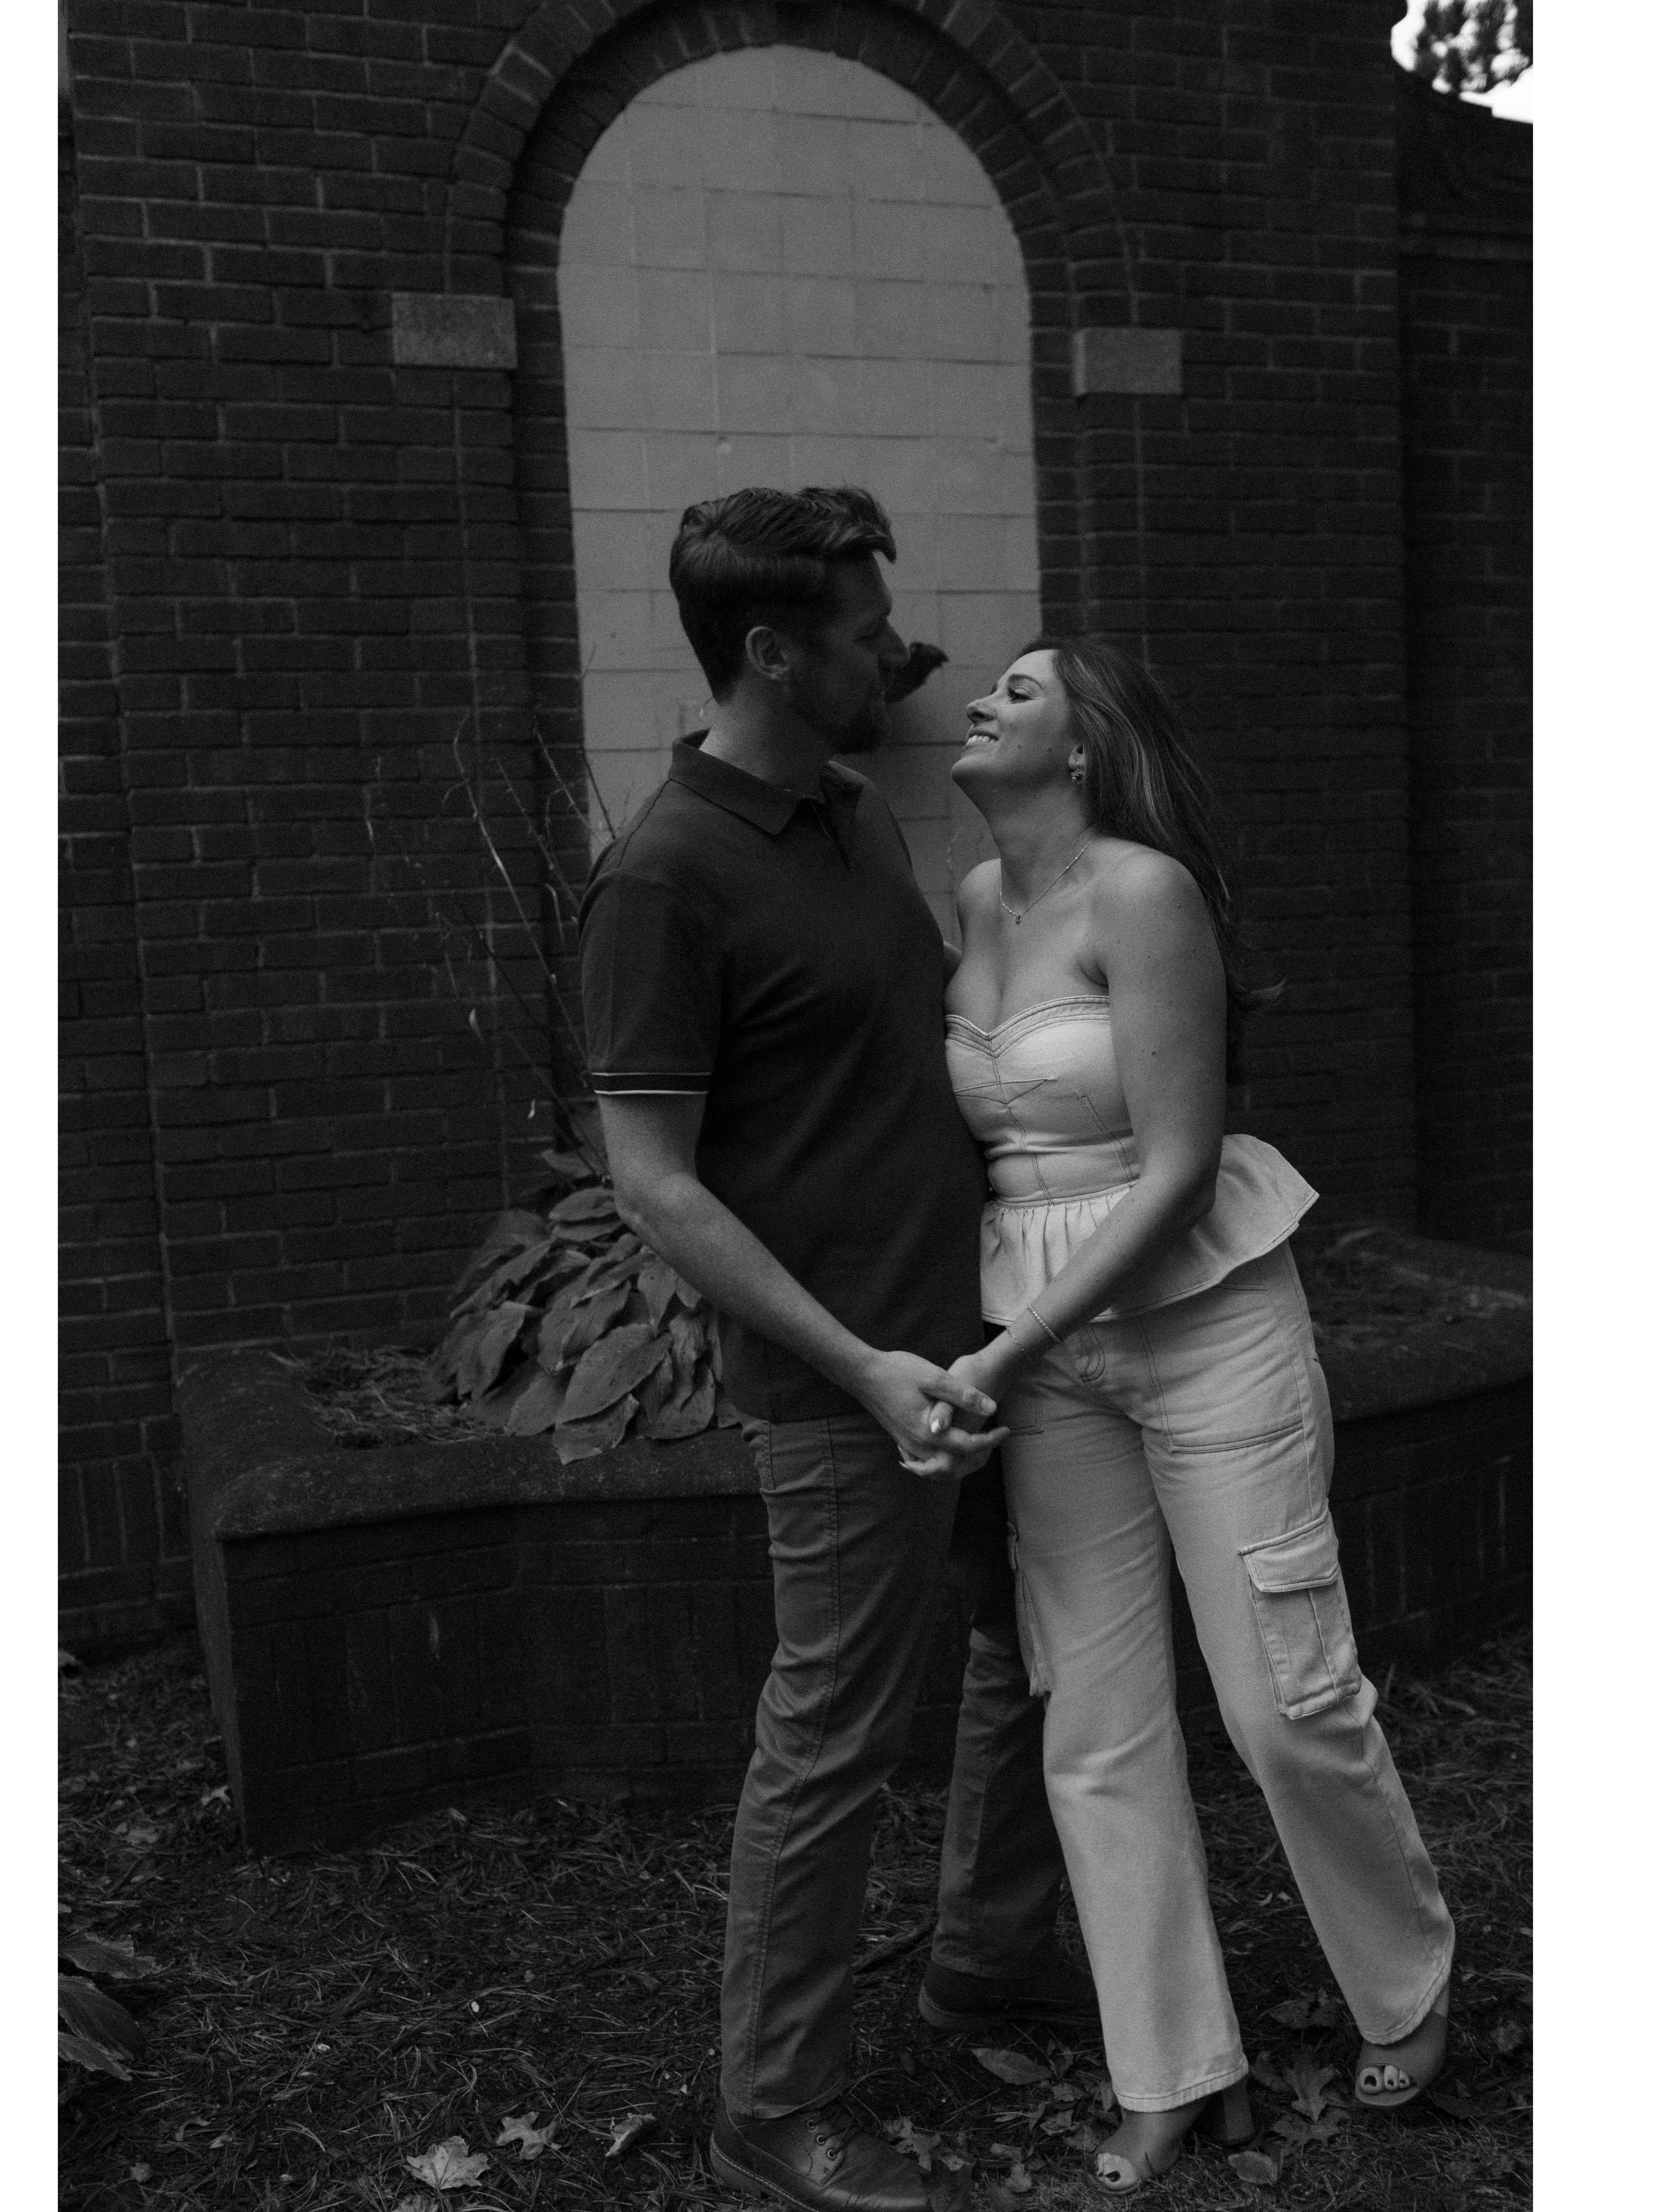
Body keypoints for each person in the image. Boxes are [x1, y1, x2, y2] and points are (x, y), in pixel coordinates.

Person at [578, 487, 1094, 2212]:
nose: (899, 654)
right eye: (867, 636)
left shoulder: (854, 816)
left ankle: (992, 1952)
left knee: (1032, 1648)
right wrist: (863, 1364)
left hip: (983, 1344)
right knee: (832, 1734)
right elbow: (654, 1183)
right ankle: (777, 2103)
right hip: (843, 1384)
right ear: (773, 654)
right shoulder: (664, 877)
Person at [931, 637, 1456, 2196]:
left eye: (1022, 691)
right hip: (1046, 1356)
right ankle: (1172, 2069)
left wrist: (1003, 1351)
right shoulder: (972, 901)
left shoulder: (1144, 892)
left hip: (1202, 1321)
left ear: (1087, 747)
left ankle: (1408, 1983)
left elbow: (1171, 1171)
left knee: (1283, 1700)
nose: (981, 700)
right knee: (1092, 1724)